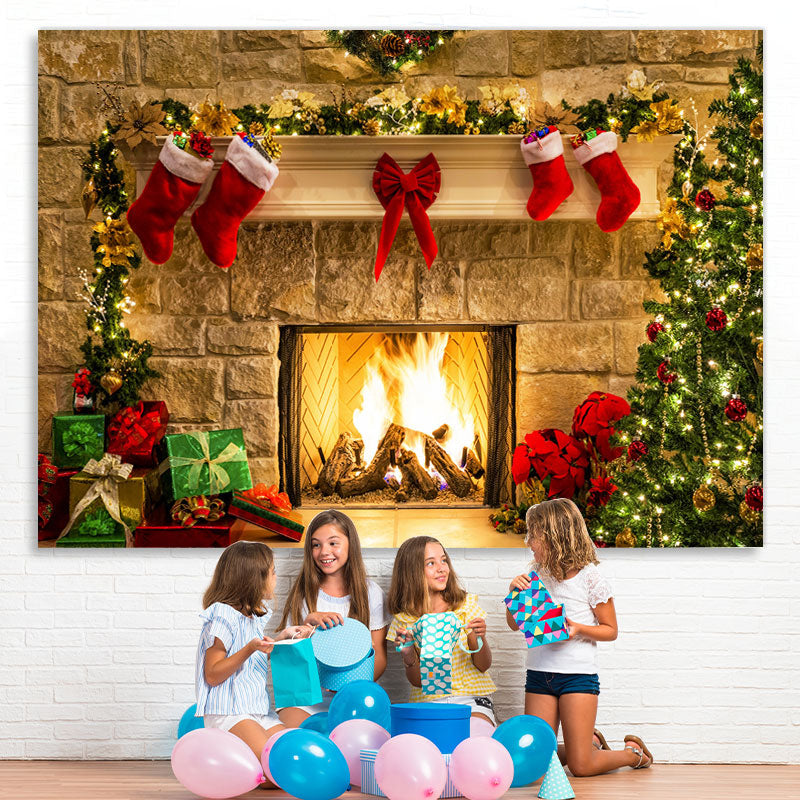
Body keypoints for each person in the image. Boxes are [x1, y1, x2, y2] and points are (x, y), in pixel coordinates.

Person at [507, 498, 653, 776]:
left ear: (554, 538)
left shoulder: (590, 578)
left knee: (580, 766)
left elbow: (610, 630)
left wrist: (577, 628)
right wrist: (514, 592)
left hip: (577, 677)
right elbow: (515, 625)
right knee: (536, 759)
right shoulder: (536, 573)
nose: (528, 542)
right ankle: (590, 744)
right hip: (539, 675)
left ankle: (633, 755)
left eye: (533, 536)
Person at [196, 540, 313, 782]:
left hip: (257, 711)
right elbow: (213, 674)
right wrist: (250, 648)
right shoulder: (223, 616)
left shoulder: (251, 616)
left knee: (296, 759)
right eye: (272, 572)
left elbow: (253, 656)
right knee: (277, 772)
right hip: (230, 712)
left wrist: (282, 638)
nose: (275, 578)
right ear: (254, 579)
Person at [278, 510, 390, 726]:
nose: (323, 552)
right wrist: (307, 627)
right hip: (307, 696)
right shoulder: (304, 593)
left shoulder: (371, 593)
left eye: (333, 543)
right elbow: (293, 662)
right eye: (316, 544)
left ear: (350, 545)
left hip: (354, 695)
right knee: (294, 735)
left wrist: (347, 686)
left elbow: (379, 658)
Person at [387, 535, 496, 726]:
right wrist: (408, 655)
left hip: (472, 700)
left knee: (475, 737)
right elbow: (418, 682)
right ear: (412, 572)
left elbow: (483, 665)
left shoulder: (465, 605)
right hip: (429, 702)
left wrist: (479, 637)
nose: (441, 568)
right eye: (431, 563)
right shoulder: (405, 620)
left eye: (443, 560)